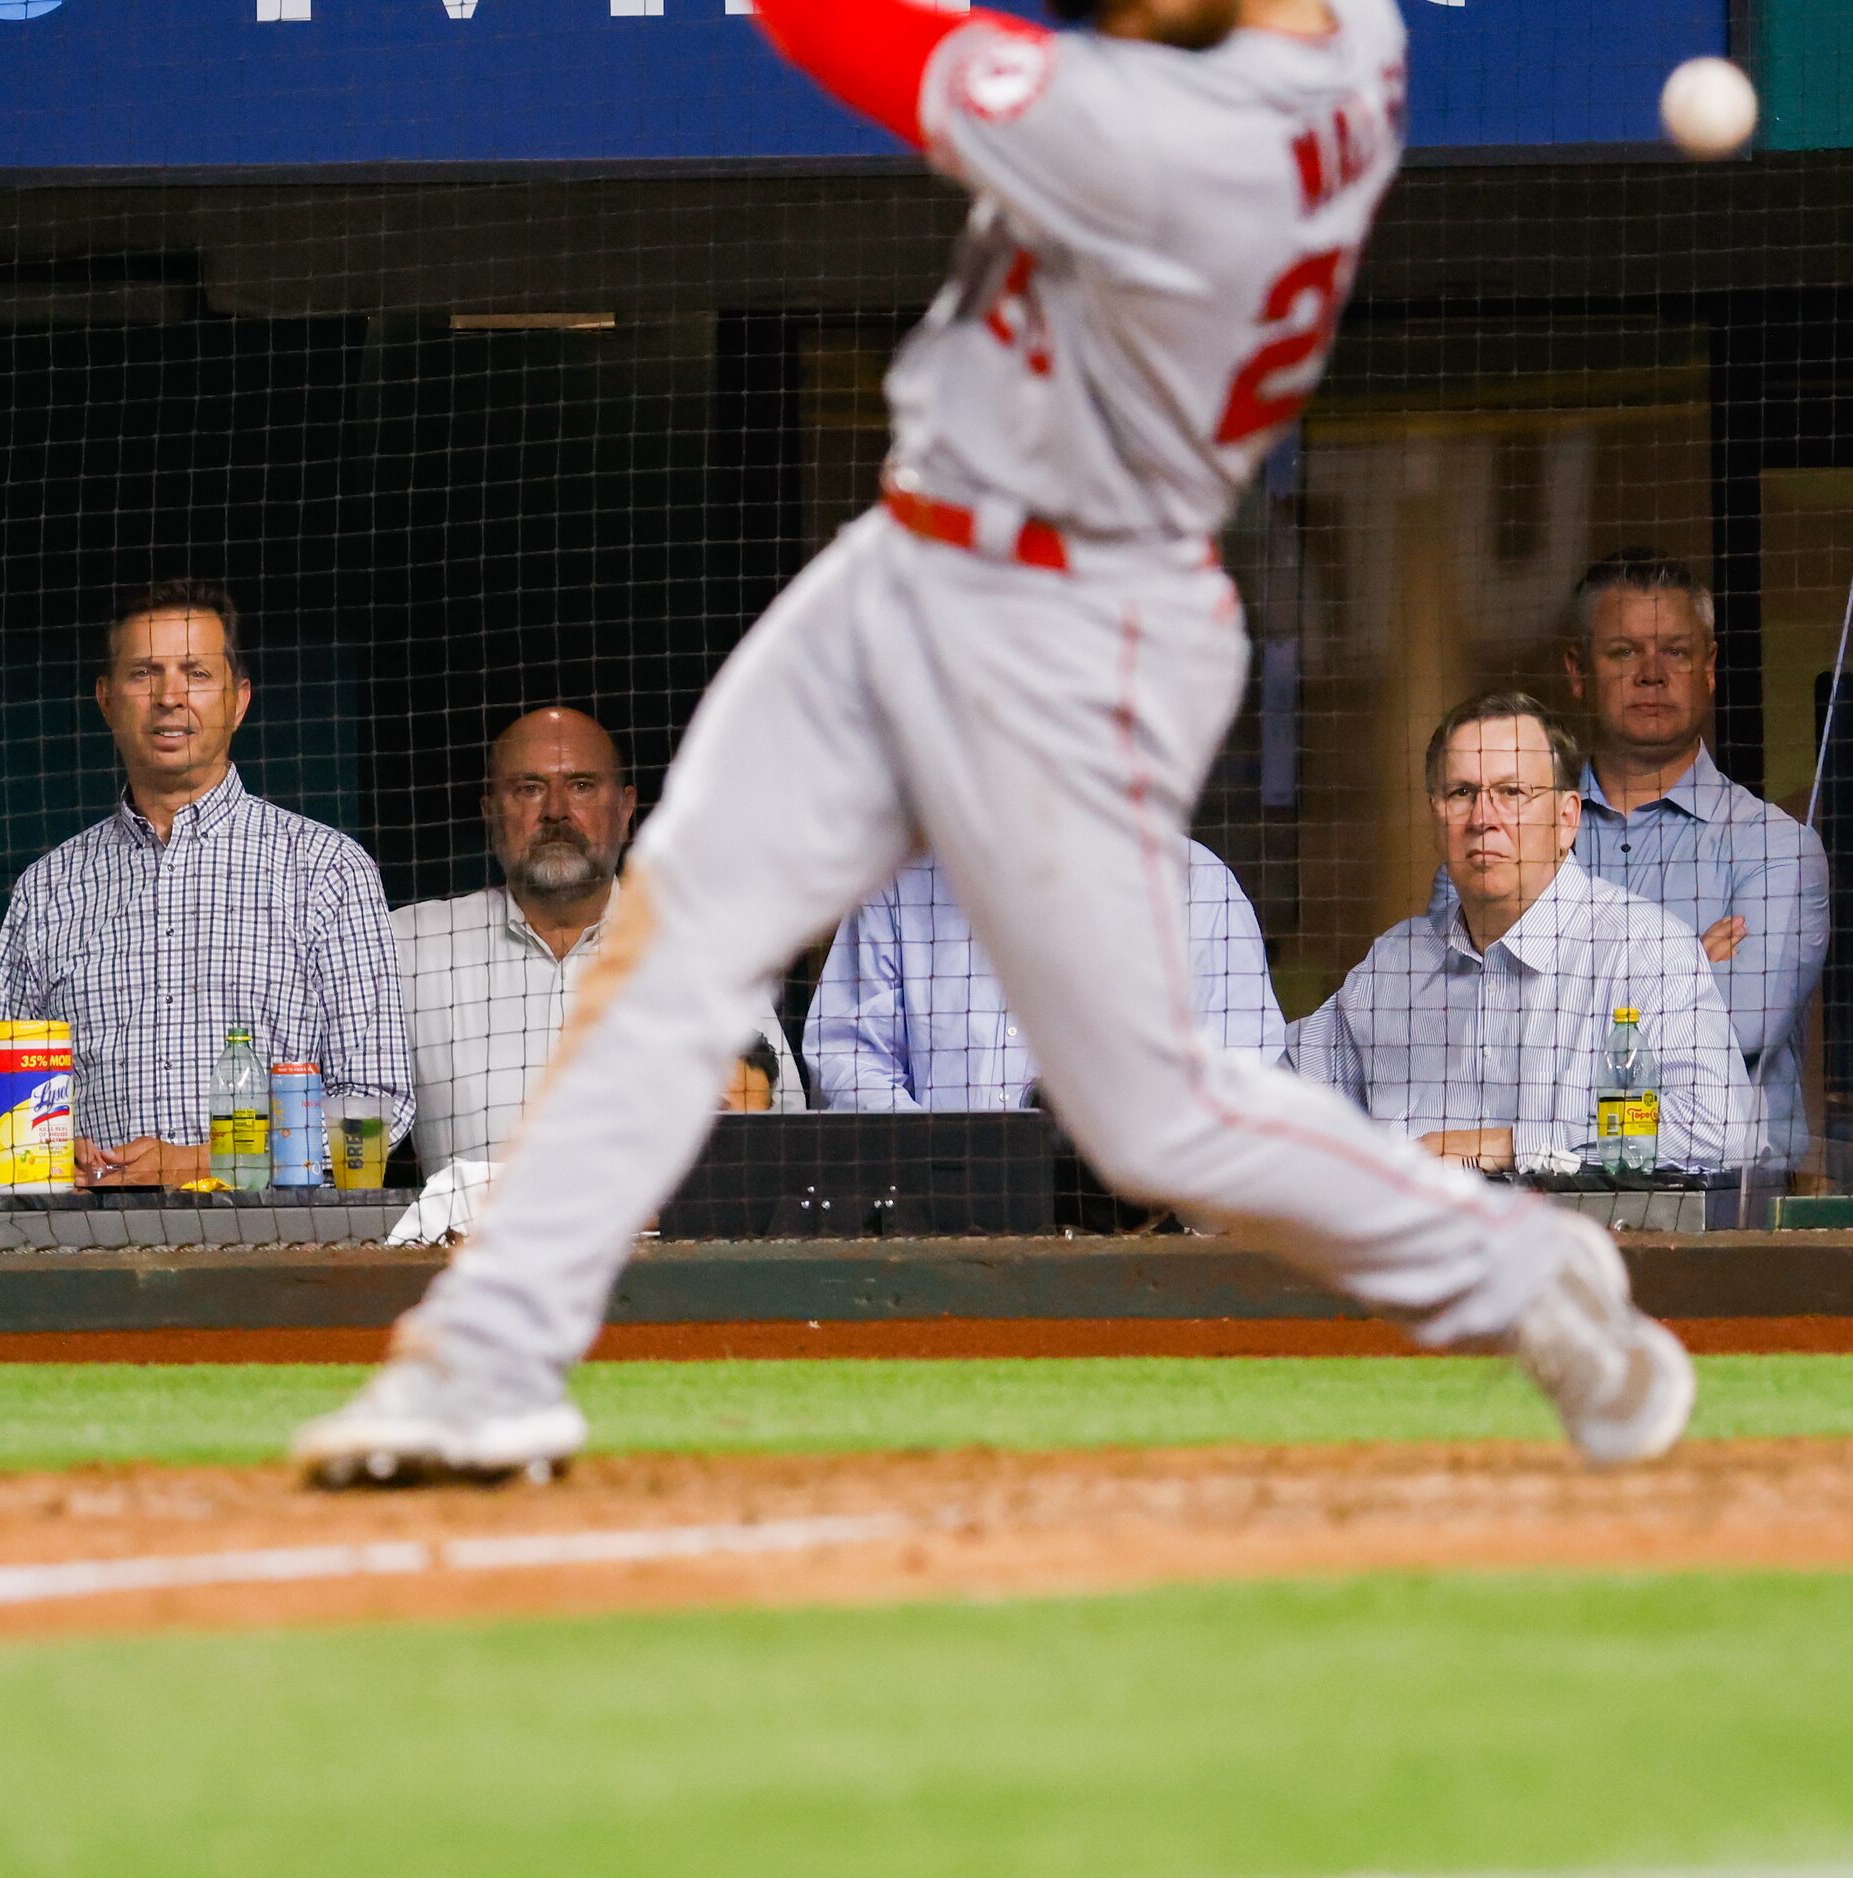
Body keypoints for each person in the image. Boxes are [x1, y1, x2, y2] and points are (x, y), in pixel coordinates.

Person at [293, 0, 1696, 1486]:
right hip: (916, 554)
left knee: (1156, 1118)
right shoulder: (1345, 34)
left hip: (1070, 626)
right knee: (675, 931)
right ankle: (489, 1361)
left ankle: (1517, 1271)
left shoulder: (1174, 140)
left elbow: (853, 34)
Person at [0, 580, 409, 1188]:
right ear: (105, 700)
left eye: (197, 673)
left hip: (279, 1251)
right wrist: (42, 1150)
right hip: (90, 1249)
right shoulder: (48, 888)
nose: (169, 698)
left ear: (239, 700)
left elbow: (377, 1106)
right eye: (144, 674)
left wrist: (196, 1165)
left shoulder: (326, 870)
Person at [1292, 693, 1759, 1173]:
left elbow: (1719, 1130)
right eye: (1461, 793)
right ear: (1436, 816)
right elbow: (1277, 1092)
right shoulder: (1394, 964)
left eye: (1512, 793)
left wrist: (1510, 1146)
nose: (1482, 818)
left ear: (1566, 819)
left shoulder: (1645, 952)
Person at [394, 706, 804, 1178]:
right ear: (491, 812)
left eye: (582, 786)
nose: (555, 812)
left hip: (663, 1250)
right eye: (529, 789)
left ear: (627, 809)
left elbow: (779, 1133)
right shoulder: (413, 948)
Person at [1562, 550, 1828, 1167]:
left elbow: (1741, 1029)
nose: (1652, 674)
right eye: (1624, 652)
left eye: (1676, 652)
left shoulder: (1777, 847)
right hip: (1544, 1202)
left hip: (1731, 1212)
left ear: (1708, 668)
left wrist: (1565, 990)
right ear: (1577, 670)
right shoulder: (1507, 843)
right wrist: (1683, 970)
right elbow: (1477, 1037)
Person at [804, 841, 1288, 1110]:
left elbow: (1244, 1086)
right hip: (937, 1241)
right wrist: (941, 1158)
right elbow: (847, 1058)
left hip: (1137, 1244)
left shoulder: (1197, 890)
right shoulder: (901, 882)